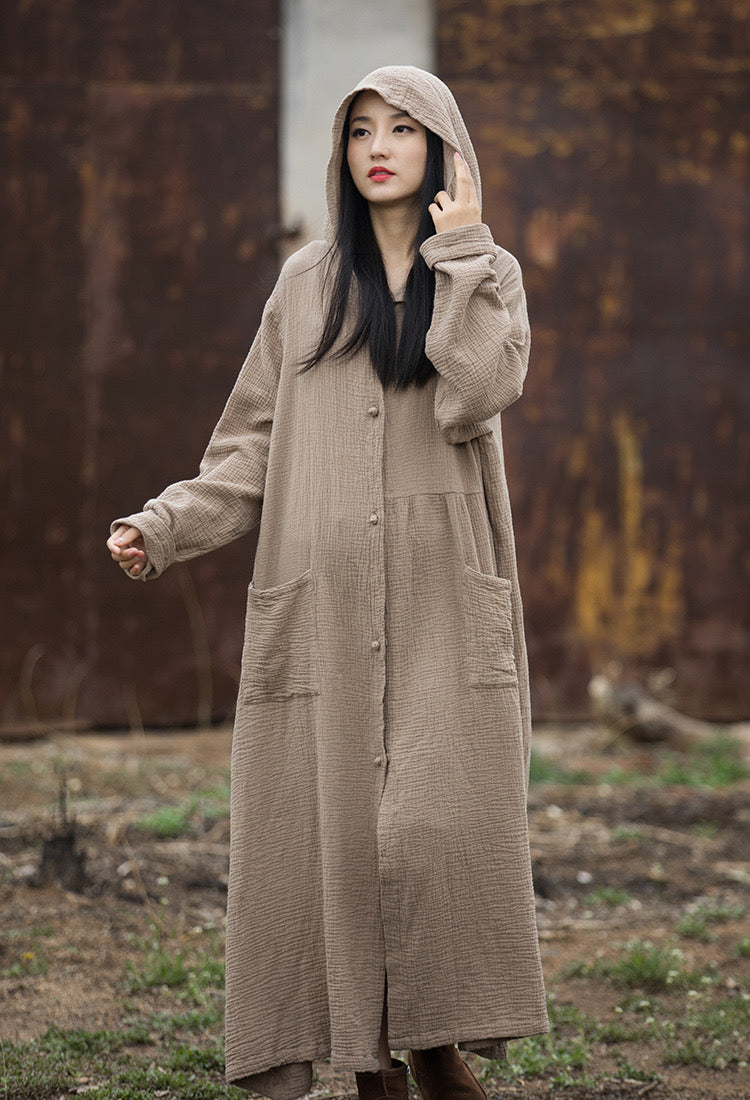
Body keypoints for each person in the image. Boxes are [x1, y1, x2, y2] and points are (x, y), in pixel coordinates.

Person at [107, 66, 548, 1100]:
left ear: (444, 148)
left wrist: (460, 253)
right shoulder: (305, 283)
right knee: (337, 842)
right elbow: (249, 446)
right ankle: (373, 1061)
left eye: (403, 128)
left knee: (432, 828)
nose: (378, 147)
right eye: (360, 131)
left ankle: (434, 1042)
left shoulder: (486, 272)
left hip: (444, 601)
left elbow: (481, 390)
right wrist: (163, 524)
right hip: (322, 607)